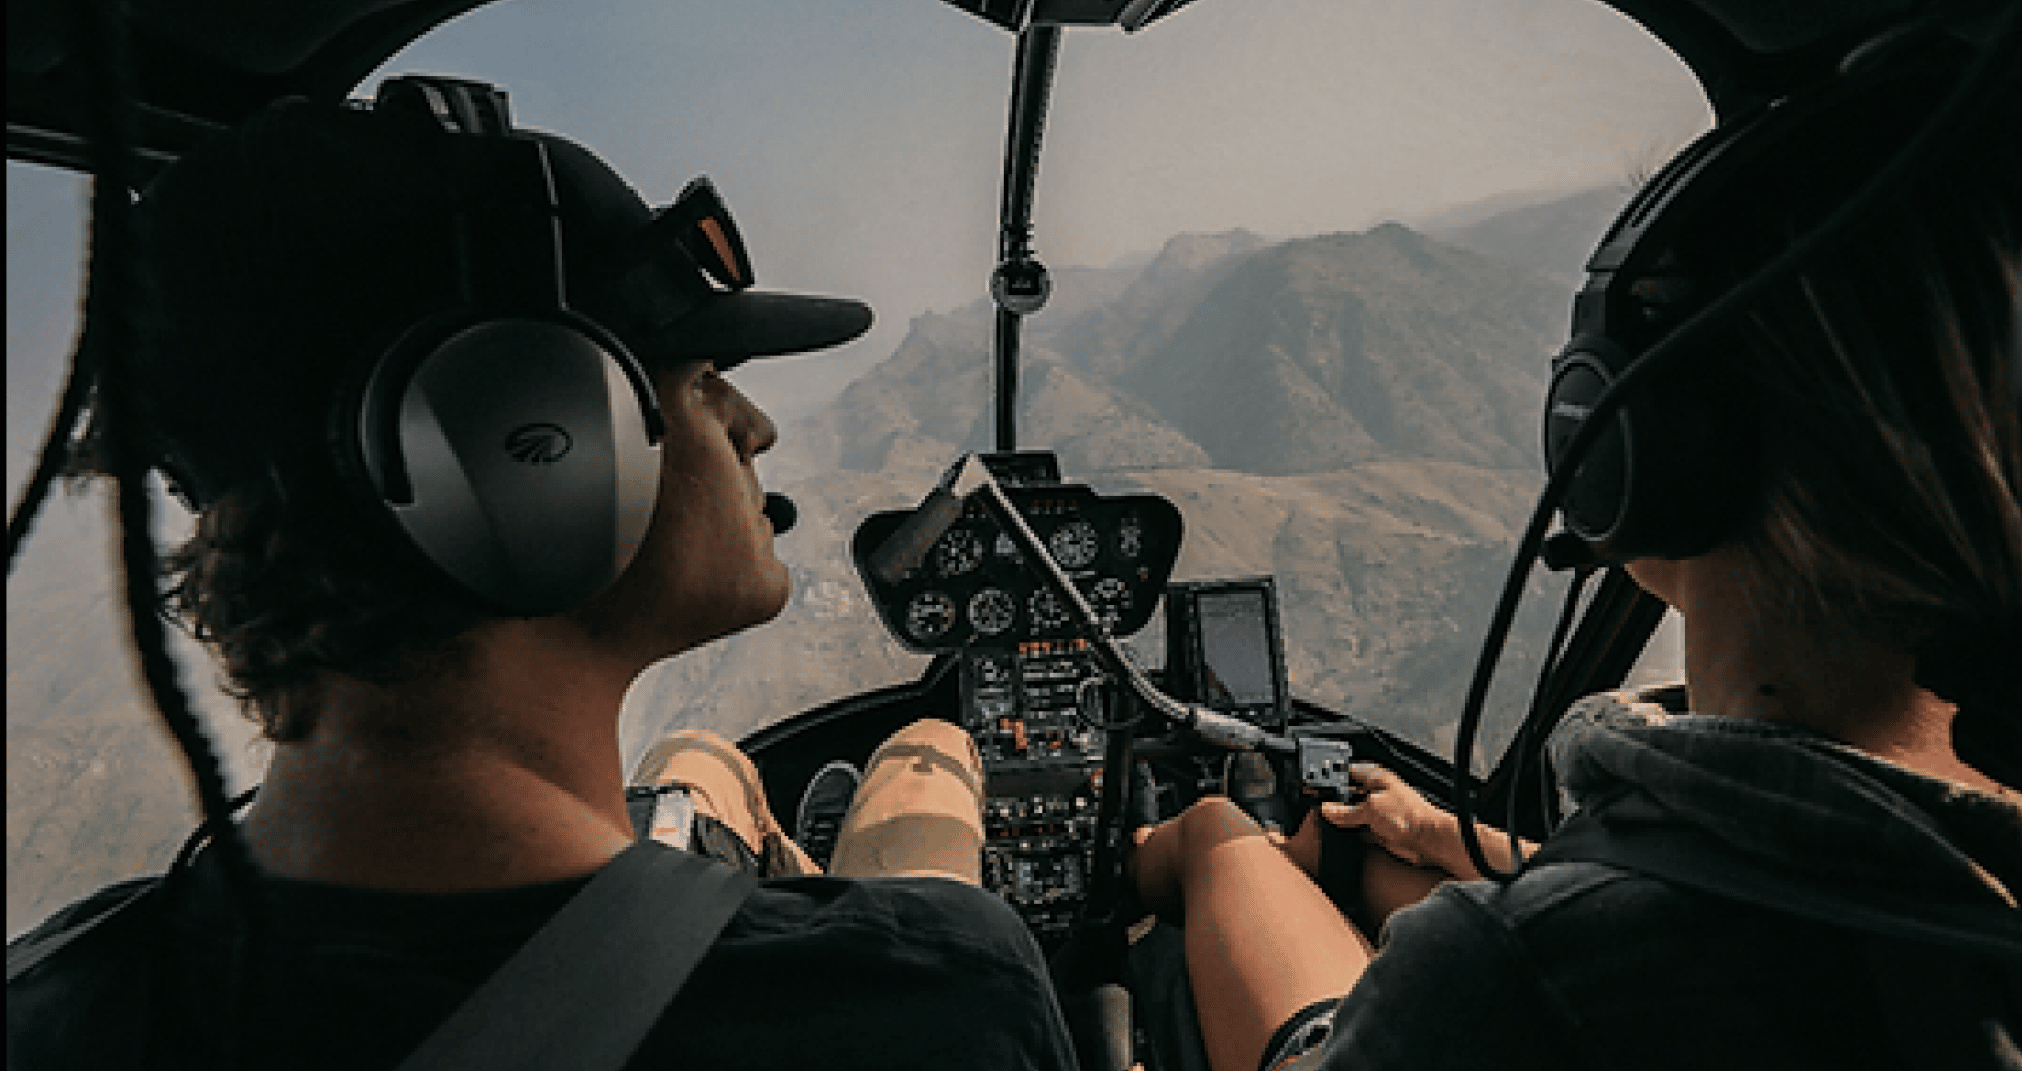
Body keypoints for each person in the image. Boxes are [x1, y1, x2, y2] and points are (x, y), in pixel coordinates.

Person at [5, 83, 1079, 1070]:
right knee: (925, 755)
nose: (757, 427)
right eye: (704, 381)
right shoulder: (924, 1004)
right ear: (531, 445)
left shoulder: (52, 1002)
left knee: (704, 768)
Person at [1127, 53, 2022, 1071]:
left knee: (1213, 837)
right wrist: (1441, 833)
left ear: (1636, 444)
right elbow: (1810, 877)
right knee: (1380, 864)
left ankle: (1155, 856)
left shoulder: (1524, 969)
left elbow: (1601, 946)